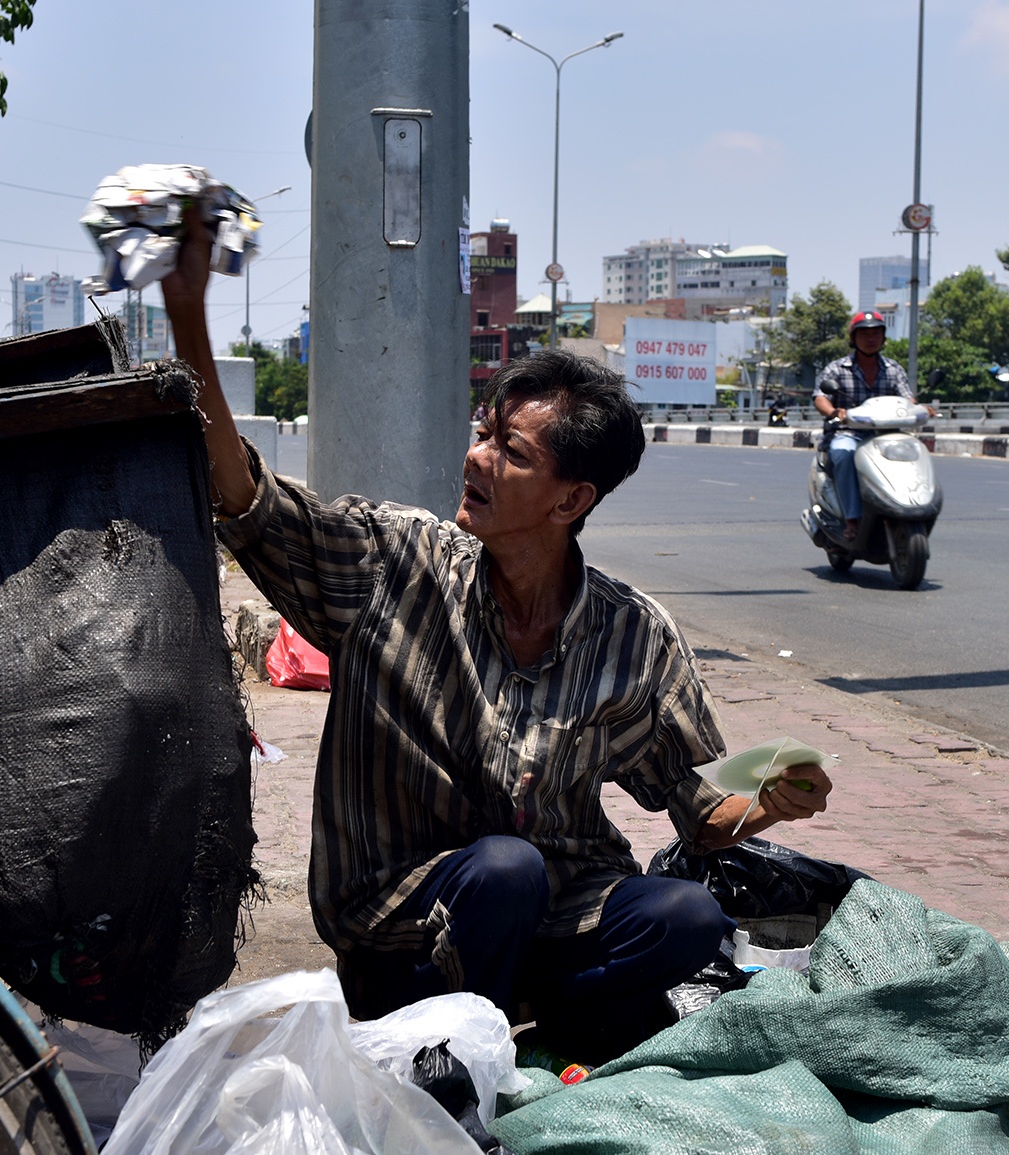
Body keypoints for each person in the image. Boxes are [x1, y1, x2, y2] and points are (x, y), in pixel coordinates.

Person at [161, 211, 835, 1063]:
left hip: (555, 918)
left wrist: (771, 796)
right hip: (402, 931)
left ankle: (527, 1033)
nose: (476, 459)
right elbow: (247, 500)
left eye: (508, 451)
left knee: (691, 917)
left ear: (570, 500)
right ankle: (455, 1064)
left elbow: (703, 810)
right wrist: (189, 314)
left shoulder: (634, 637)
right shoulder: (392, 562)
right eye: (483, 434)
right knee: (504, 871)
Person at [813, 311, 918, 544]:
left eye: (876, 333)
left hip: (886, 434)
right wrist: (833, 412)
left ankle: (909, 503)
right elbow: (820, 397)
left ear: (883, 338)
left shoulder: (893, 369)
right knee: (843, 452)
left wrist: (920, 410)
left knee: (912, 451)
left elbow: (907, 399)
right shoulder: (838, 369)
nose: (871, 339)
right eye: (865, 334)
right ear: (853, 338)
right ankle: (852, 519)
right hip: (847, 433)